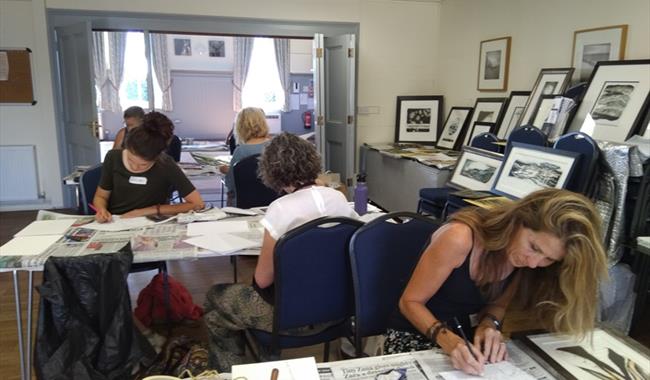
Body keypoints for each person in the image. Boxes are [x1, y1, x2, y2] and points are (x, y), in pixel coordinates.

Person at [385, 189, 608, 376]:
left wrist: (489, 325)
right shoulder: (460, 237)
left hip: (464, 339)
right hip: (413, 332)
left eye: (549, 259)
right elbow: (410, 302)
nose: (533, 263)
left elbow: (498, 306)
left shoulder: (524, 262)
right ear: (518, 221)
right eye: (534, 247)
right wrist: (448, 341)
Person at [203, 132, 358, 371]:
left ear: (272, 173)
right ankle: (267, 356)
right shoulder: (337, 198)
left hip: (289, 315)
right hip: (338, 307)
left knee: (215, 300)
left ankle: (238, 369)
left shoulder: (281, 209)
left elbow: (263, 280)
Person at [93, 111, 204, 222]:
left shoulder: (165, 164)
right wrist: (101, 209)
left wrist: (148, 211)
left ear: (157, 158)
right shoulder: (113, 157)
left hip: (150, 222)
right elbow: (101, 196)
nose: (135, 168)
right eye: (131, 160)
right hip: (116, 221)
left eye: (143, 164)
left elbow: (197, 203)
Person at [219, 107, 272, 206]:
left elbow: (230, 184)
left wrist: (228, 171)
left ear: (239, 127)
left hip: (245, 204)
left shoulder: (241, 151)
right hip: (274, 201)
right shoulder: (275, 147)